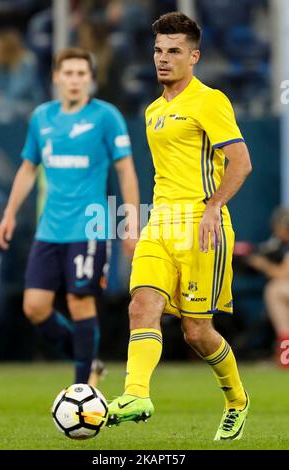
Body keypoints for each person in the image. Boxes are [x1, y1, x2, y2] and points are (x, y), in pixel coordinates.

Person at [107, 12, 252, 441]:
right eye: (157, 50)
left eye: (173, 51)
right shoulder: (153, 110)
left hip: (203, 226)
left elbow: (241, 163)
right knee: (140, 305)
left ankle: (236, 400)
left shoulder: (210, 100)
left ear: (194, 56)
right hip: (162, 223)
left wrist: (213, 208)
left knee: (196, 332)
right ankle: (135, 394)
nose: (163, 59)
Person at [0, 47, 139, 386]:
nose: (74, 80)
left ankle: (82, 389)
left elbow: (126, 170)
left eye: (81, 74)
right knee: (35, 307)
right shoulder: (42, 118)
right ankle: (89, 361)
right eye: (69, 73)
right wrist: (10, 213)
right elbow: (28, 168)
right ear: (56, 78)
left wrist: (131, 222)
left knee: (79, 302)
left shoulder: (106, 117)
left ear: (90, 79)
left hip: (90, 226)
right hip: (50, 228)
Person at [247, 207, 289, 368]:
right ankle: (285, 351)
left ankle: (286, 348)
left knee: (275, 290)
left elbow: (282, 274)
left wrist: (262, 264)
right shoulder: (280, 244)